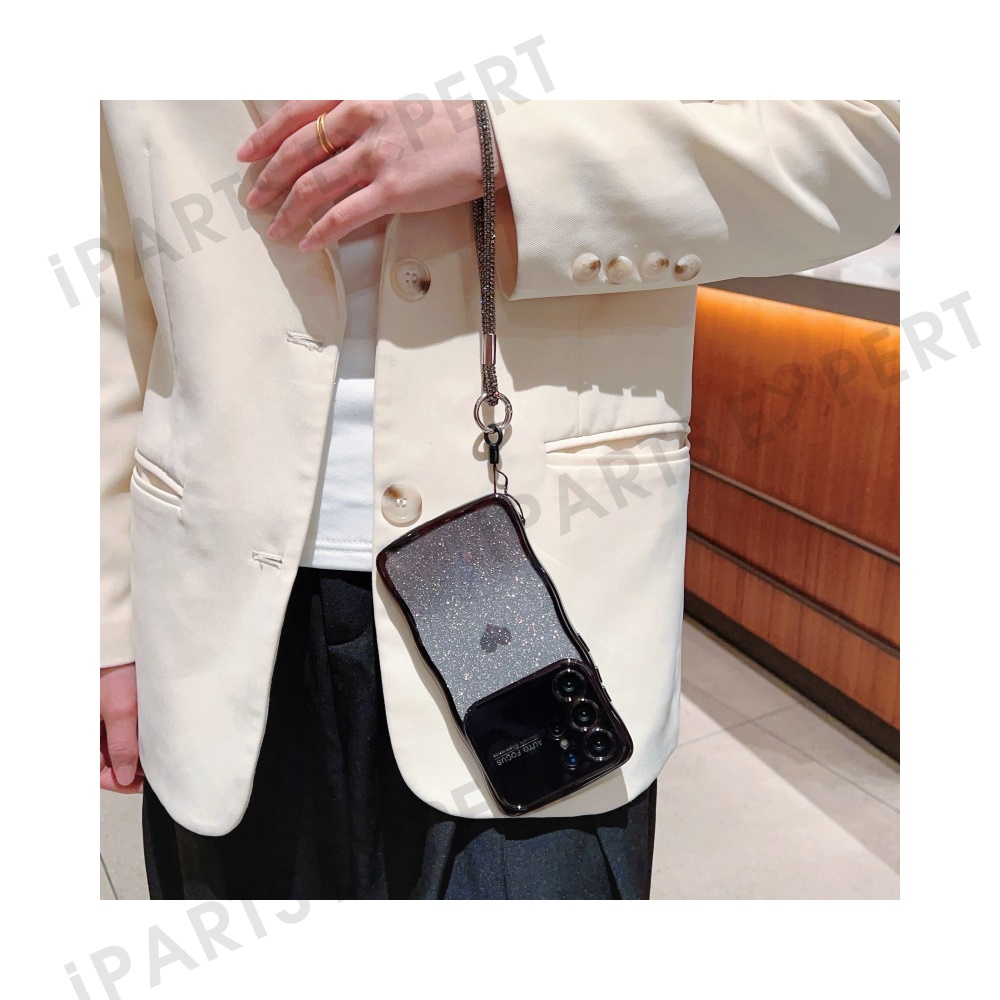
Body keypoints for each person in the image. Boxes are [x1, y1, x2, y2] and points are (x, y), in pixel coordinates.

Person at [100, 99, 900, 899]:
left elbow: (878, 146)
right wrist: (102, 620)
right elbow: (107, 284)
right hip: (209, 604)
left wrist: (505, 147)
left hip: (556, 587)